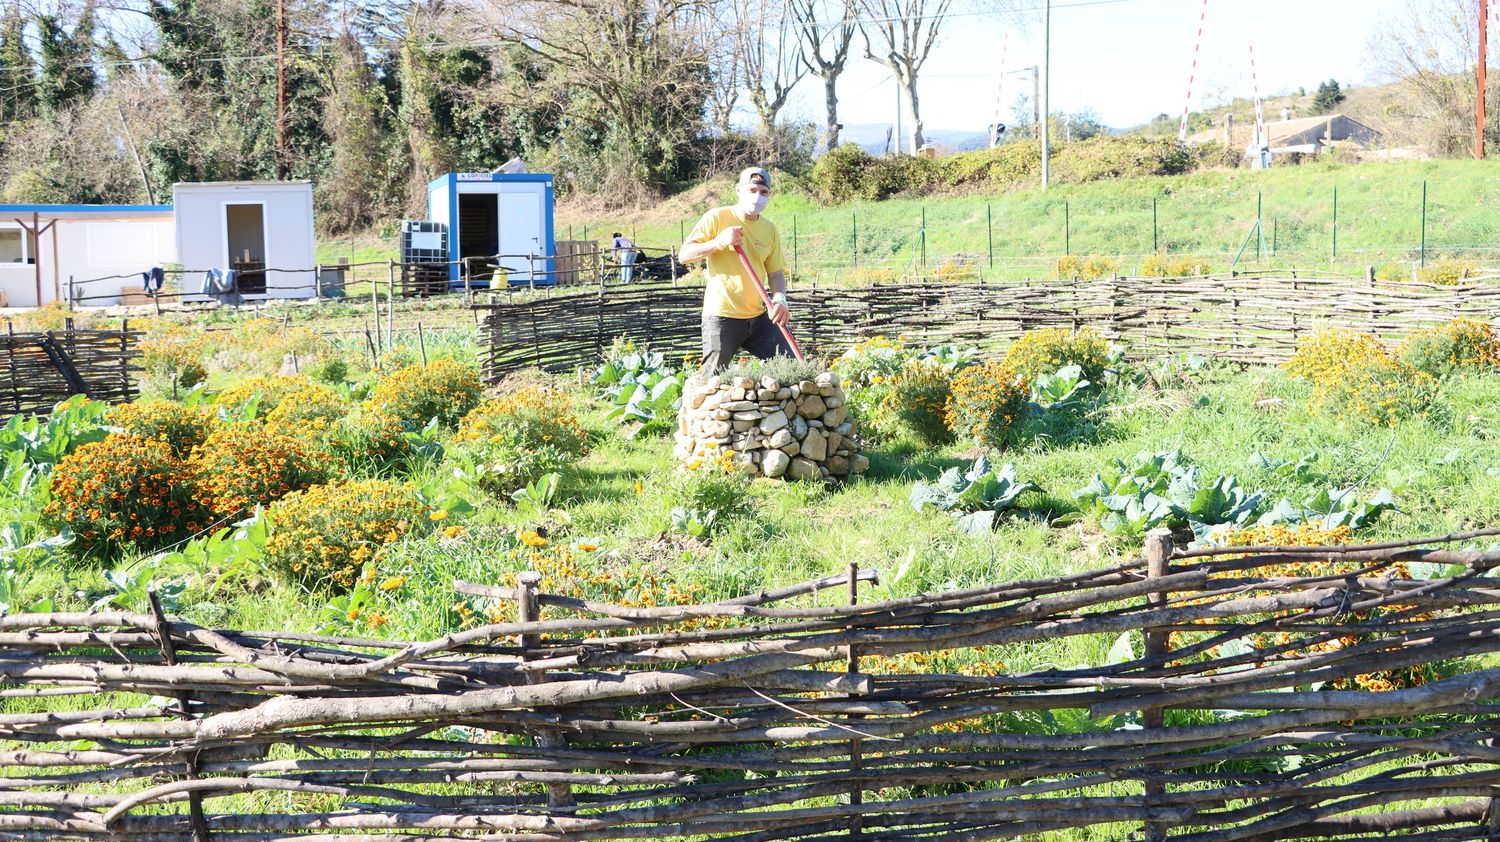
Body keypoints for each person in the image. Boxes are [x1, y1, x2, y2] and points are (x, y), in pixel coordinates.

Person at [678, 167, 791, 372]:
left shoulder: (769, 229)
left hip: (758, 317)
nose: (758, 196)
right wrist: (719, 241)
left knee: (789, 366)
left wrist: (780, 298)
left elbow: (775, 272)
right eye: (752, 190)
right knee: (712, 378)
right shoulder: (717, 217)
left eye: (763, 192)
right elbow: (685, 255)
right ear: (739, 190)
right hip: (722, 316)